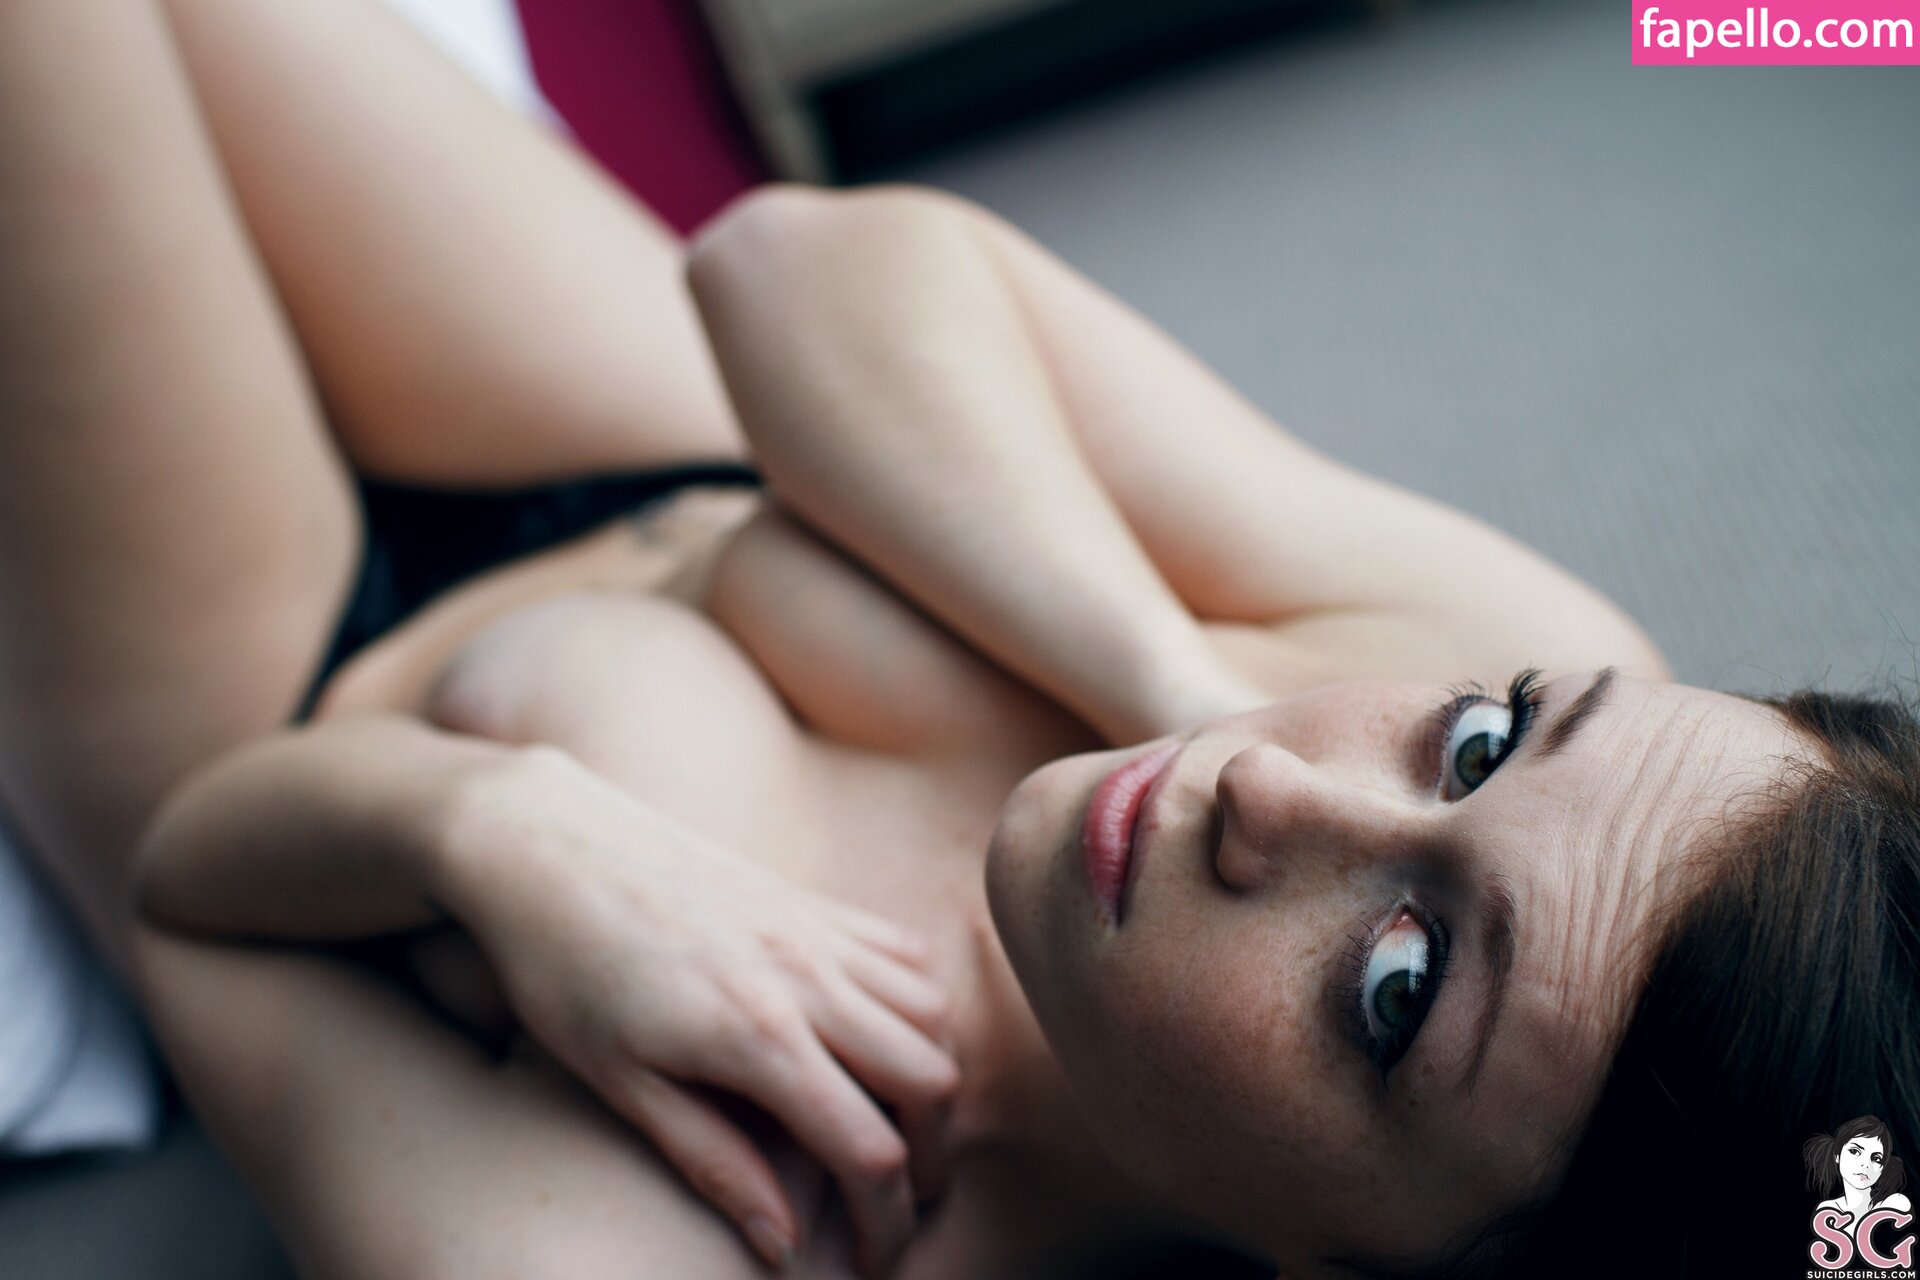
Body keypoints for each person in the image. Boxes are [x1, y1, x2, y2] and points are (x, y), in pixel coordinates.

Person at [1, 2, 1914, 1278]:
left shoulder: (700, 1243)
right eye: (1485, 743)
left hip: (283, 678)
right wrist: (1168, 673)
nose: (1274, 787)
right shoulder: (1533, 685)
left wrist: (488, 837)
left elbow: (187, 908)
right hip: (662, 452)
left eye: (1398, 989)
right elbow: (792, 269)